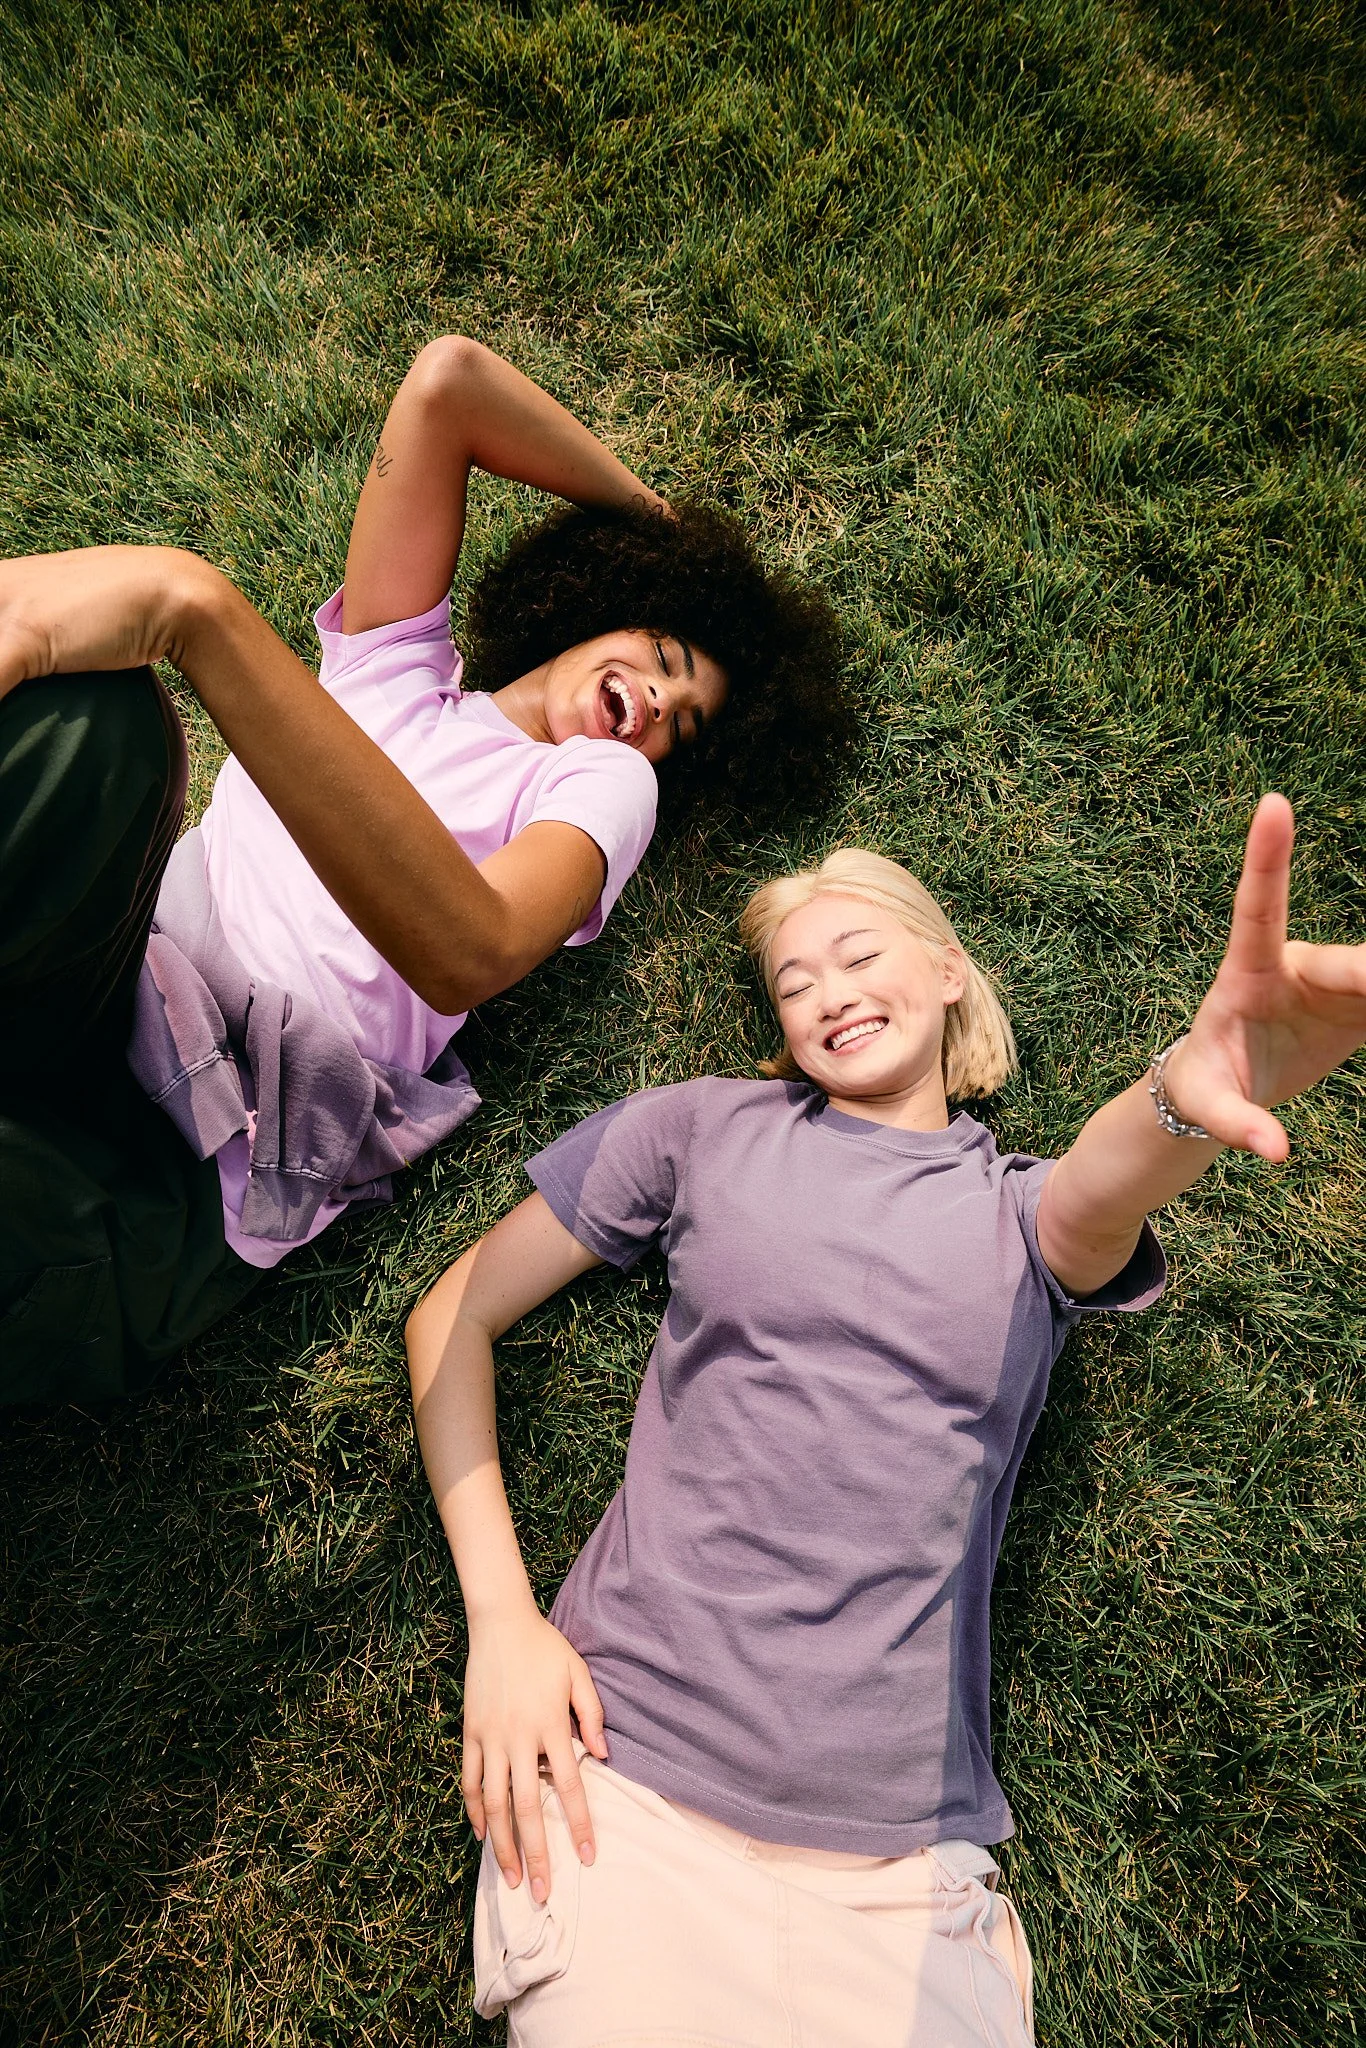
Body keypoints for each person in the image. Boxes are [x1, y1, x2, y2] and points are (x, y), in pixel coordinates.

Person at [405, 798, 1366, 2045]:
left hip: (899, 1878)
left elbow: (1105, 1181)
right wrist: (501, 1620)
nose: (828, 994)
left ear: (948, 968)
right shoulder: (699, 1130)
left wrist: (1188, 1093)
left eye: (860, 955)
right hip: (624, 1801)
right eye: (794, 981)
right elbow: (451, 1320)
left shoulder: (1023, 1218)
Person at [0, 336, 848, 1406]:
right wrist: (658, 529)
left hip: (179, 1174)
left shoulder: (593, 783)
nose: (660, 708)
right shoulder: (389, 670)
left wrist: (203, 615)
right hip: (103, 983)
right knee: (97, 720)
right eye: (666, 657)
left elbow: (472, 949)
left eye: (685, 729)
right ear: (602, 607)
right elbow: (448, 382)